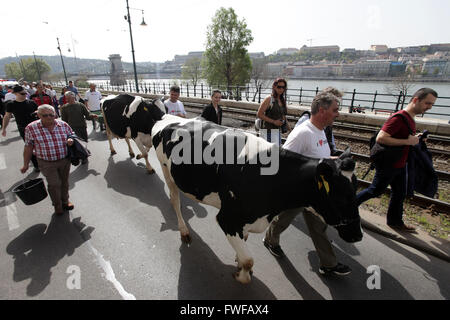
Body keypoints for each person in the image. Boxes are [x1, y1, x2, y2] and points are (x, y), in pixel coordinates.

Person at [263, 91, 352, 276]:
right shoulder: (303, 133)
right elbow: (284, 160)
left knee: (318, 227)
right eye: (335, 110)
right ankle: (270, 240)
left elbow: (317, 157)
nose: (338, 114)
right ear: (322, 110)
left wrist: (334, 159)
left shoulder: (320, 131)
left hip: (316, 193)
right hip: (299, 192)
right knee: (283, 220)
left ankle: (328, 264)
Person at [356, 88, 438, 233]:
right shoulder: (399, 118)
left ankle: (395, 222)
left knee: (399, 193)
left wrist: (416, 138)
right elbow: (381, 138)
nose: (429, 107)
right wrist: (407, 142)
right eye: (427, 103)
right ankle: (347, 207)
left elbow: (404, 137)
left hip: (400, 163)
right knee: (375, 190)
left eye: (432, 104)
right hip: (389, 163)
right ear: (415, 100)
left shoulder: (410, 118)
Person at [21, 105, 75, 215]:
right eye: (45, 115)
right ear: (39, 115)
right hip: (46, 162)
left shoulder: (63, 124)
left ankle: (65, 201)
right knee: (54, 184)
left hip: (64, 159)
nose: (49, 117)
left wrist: (70, 139)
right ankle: (57, 205)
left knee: (64, 182)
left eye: (52, 115)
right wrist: (25, 164)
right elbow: (28, 146)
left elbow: (72, 134)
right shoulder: (31, 128)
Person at [2, 85, 40, 171]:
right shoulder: (11, 104)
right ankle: (36, 165)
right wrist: (4, 128)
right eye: (22, 93)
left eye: (25, 93)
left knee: (39, 145)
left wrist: (37, 113)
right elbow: (7, 116)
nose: (25, 95)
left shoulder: (31, 102)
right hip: (24, 129)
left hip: (36, 127)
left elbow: (39, 112)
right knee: (29, 147)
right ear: (15, 94)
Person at [257, 78, 291, 146]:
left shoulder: (282, 100)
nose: (281, 89)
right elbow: (259, 114)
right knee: (266, 154)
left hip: (276, 132)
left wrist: (290, 130)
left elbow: (283, 116)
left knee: (275, 154)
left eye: (283, 87)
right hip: (267, 132)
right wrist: (274, 122)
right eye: (279, 87)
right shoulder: (269, 99)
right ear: (274, 87)